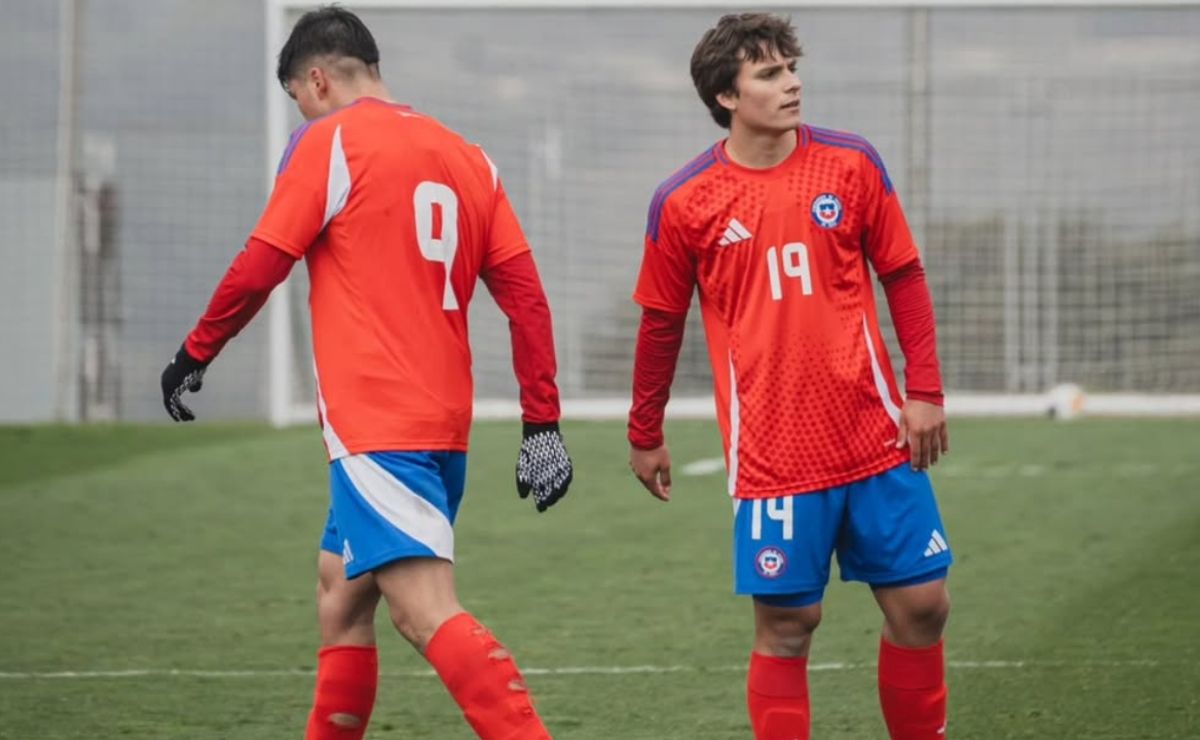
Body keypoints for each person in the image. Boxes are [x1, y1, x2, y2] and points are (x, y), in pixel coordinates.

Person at [159, 7, 573, 739]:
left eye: (297, 97)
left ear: (316, 79)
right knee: (340, 596)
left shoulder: (328, 142)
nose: (300, 112)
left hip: (378, 426)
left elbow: (263, 262)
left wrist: (198, 350)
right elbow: (528, 300)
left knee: (423, 610)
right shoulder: (468, 155)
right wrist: (542, 423)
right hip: (441, 430)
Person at [627, 13, 952, 740]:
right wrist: (644, 432)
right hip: (775, 452)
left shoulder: (850, 163)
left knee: (924, 605)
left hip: (874, 432)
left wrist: (924, 390)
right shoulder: (684, 201)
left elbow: (902, 273)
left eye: (791, 67)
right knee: (788, 624)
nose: (793, 82)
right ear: (725, 96)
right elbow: (659, 323)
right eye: (770, 73)